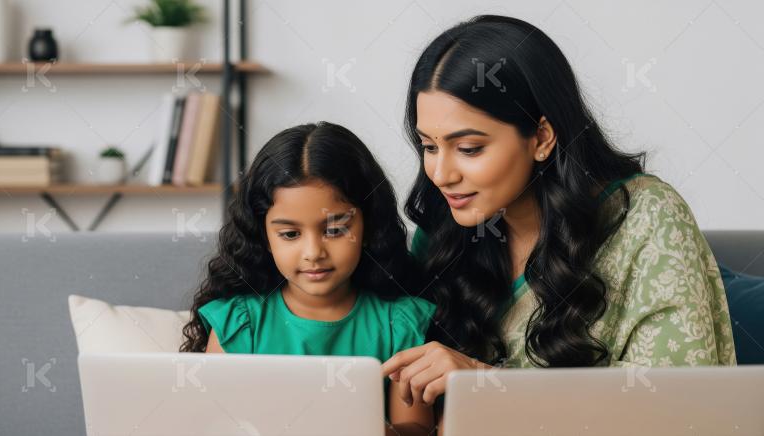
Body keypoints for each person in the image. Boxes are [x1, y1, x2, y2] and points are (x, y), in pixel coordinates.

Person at [381, 15, 736, 429]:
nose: (441, 174)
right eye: (428, 146)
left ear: (542, 137)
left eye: (469, 148)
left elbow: (682, 412)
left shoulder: (648, 217)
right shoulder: (448, 227)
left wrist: (487, 387)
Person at [181, 122, 435, 435]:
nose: (313, 252)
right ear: (264, 237)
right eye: (290, 234)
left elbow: (416, 429)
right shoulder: (239, 324)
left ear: (368, 228)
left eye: (334, 230)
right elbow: (212, 424)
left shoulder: (401, 324)